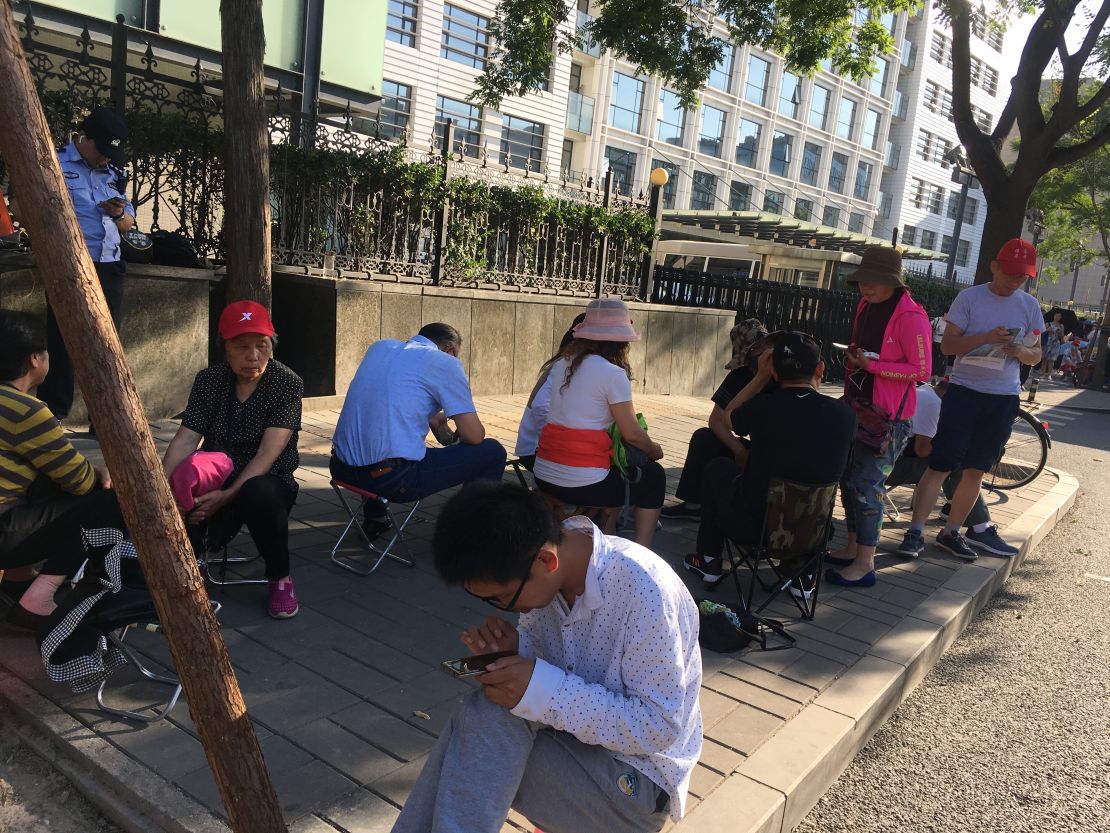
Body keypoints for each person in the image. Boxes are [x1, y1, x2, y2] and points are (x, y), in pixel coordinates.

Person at [390, 482, 702, 833]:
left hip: (637, 787)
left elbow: (658, 727)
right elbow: (562, 681)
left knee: (481, 734)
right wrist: (517, 653)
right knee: (484, 719)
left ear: (545, 560)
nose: (503, 609)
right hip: (575, 753)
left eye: (502, 597)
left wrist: (538, 687)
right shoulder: (549, 575)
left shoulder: (644, 589)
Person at [901, 239, 1043, 560]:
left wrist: (1020, 350)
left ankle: (952, 533)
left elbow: (1036, 355)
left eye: (1021, 277)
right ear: (994, 266)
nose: (1013, 281)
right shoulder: (970, 297)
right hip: (964, 391)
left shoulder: (1029, 306)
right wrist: (986, 338)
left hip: (1003, 397)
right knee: (940, 463)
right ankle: (914, 532)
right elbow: (948, 347)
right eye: (1009, 273)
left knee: (976, 469)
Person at [161, 301, 304, 619]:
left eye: (261, 346)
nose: (252, 356)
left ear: (271, 346)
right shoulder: (209, 381)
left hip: (267, 478)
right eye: (241, 347)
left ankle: (280, 577)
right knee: (184, 479)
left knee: (258, 491)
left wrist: (226, 496)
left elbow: (269, 452)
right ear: (224, 348)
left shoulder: (286, 383)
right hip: (218, 469)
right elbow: (186, 438)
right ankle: (190, 563)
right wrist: (161, 489)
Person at [683, 331, 856, 589]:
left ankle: (709, 560)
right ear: (820, 368)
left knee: (719, 469)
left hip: (756, 528)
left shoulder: (763, 407)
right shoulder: (845, 415)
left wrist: (761, 377)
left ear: (773, 370)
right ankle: (803, 574)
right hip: (812, 532)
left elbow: (728, 416)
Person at [9, 108, 136, 422]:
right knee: (64, 338)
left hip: (109, 263)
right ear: (85, 138)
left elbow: (128, 224)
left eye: (112, 153)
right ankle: (55, 412)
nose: (107, 158)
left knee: (109, 343)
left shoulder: (114, 172)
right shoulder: (53, 163)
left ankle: (106, 418)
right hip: (69, 262)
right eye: (103, 150)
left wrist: (118, 213)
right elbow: (19, 208)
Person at [0, 310, 123, 632]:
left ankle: (16, 580)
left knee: (42, 480)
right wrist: (97, 472)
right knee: (110, 501)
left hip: (10, 519)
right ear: (35, 359)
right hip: (3, 531)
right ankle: (39, 598)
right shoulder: (25, 410)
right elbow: (79, 482)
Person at [330, 323, 507, 538]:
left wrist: (434, 418)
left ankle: (375, 519)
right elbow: (474, 436)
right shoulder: (445, 362)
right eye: (456, 355)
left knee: (374, 445)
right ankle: (471, 530)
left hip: (341, 468)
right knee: (492, 452)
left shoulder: (380, 348)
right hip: (391, 480)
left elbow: (388, 401)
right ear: (450, 350)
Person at [825, 247, 932, 588]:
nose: (865, 288)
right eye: (862, 282)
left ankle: (865, 563)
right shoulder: (865, 306)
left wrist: (873, 366)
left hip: (889, 416)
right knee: (848, 479)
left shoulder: (912, 317)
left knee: (867, 485)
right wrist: (858, 359)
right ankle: (854, 547)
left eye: (873, 282)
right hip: (858, 405)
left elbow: (922, 370)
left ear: (892, 282)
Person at [532, 299, 665, 547]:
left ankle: (604, 530)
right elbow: (632, 434)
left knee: (616, 471)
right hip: (584, 483)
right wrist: (654, 450)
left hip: (543, 473)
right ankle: (642, 550)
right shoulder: (613, 374)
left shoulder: (561, 364)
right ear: (621, 341)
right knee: (654, 476)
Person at [886, 379, 1018, 558]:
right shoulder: (934, 404)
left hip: (883, 459)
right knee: (953, 463)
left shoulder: (925, 391)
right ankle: (977, 527)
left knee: (952, 459)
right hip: (890, 466)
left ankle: (953, 516)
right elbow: (922, 449)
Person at [660, 318, 776, 520]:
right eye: (758, 350)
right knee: (703, 437)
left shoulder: (781, 375)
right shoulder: (738, 376)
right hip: (749, 446)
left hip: (773, 451)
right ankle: (693, 504)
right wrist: (738, 449)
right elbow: (716, 420)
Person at [514, 313, 587, 471]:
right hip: (536, 449)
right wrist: (563, 443)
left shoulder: (579, 363)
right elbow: (540, 407)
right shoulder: (565, 364)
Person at [1039, 312, 1065, 377]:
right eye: (1056, 316)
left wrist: (1059, 331)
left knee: (1051, 359)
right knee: (1044, 358)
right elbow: (1042, 331)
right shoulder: (1048, 323)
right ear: (1053, 316)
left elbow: (1062, 336)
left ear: (1060, 318)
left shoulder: (1061, 325)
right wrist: (1048, 330)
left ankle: (1049, 374)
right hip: (1047, 341)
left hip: (1055, 343)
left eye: (1059, 316)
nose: (1057, 317)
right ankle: (1042, 372)